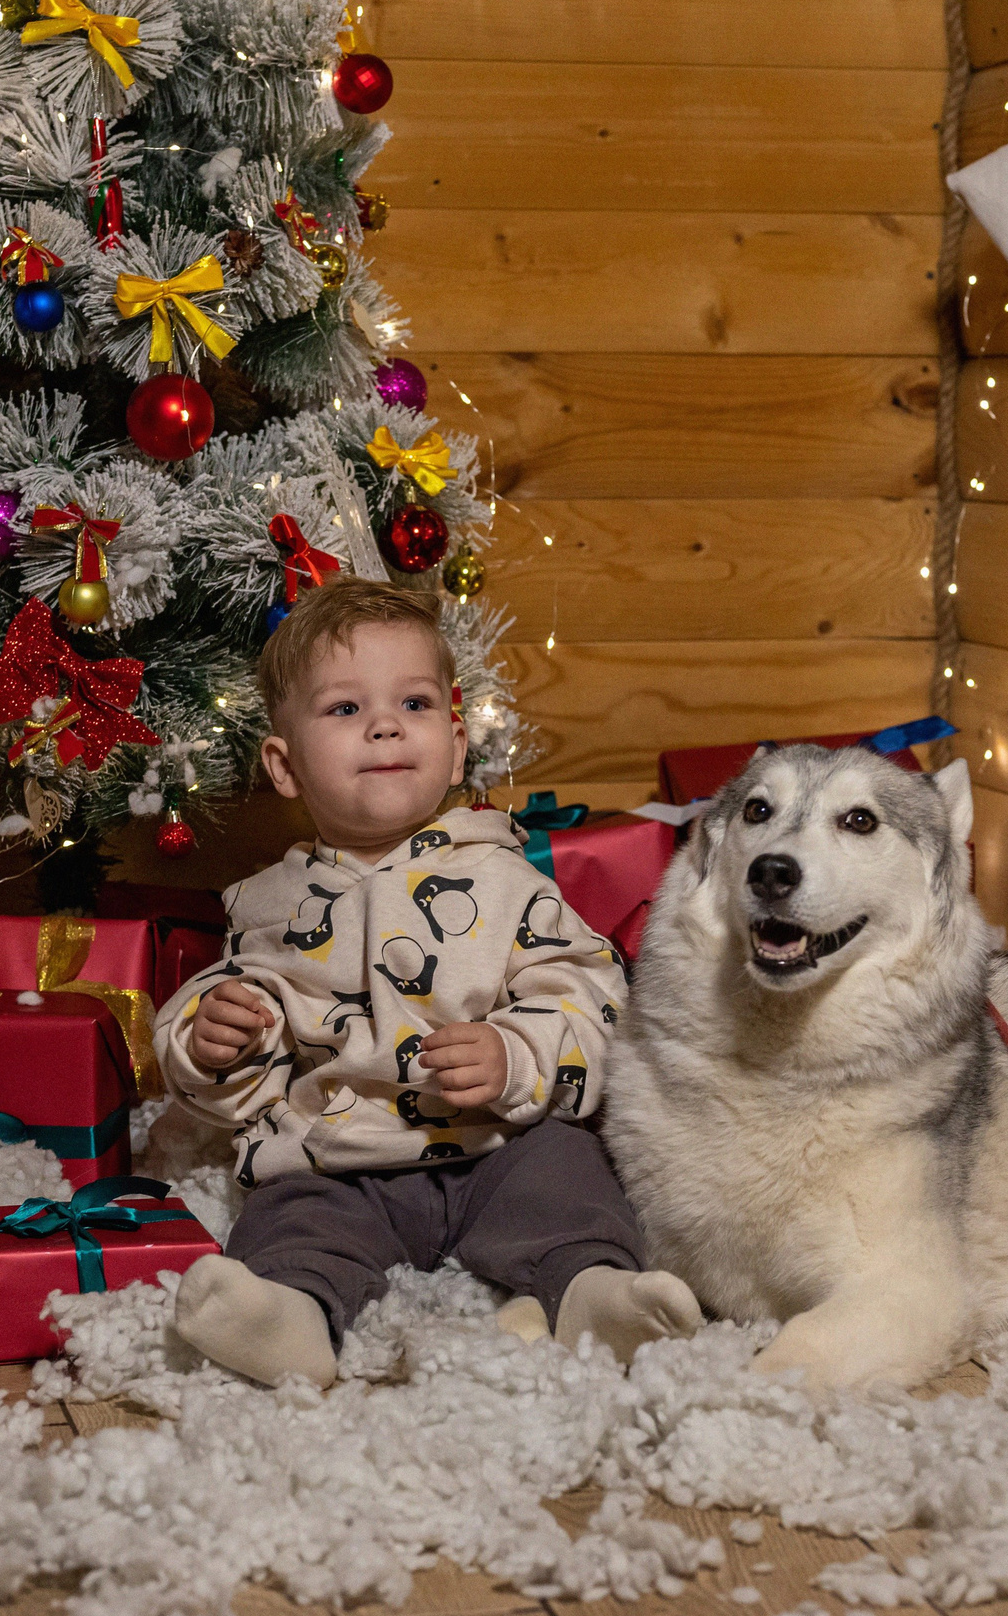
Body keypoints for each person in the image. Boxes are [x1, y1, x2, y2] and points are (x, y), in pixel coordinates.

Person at [155, 578, 702, 1386]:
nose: (383, 724)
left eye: (412, 704)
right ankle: (293, 1314)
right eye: (344, 710)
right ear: (284, 763)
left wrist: (517, 1056)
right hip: (344, 1158)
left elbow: (597, 997)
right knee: (288, 1212)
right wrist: (218, 1042)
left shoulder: (504, 878)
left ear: (455, 743)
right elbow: (234, 1081)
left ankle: (591, 1289)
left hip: (496, 1146)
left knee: (570, 1175)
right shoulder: (270, 907)